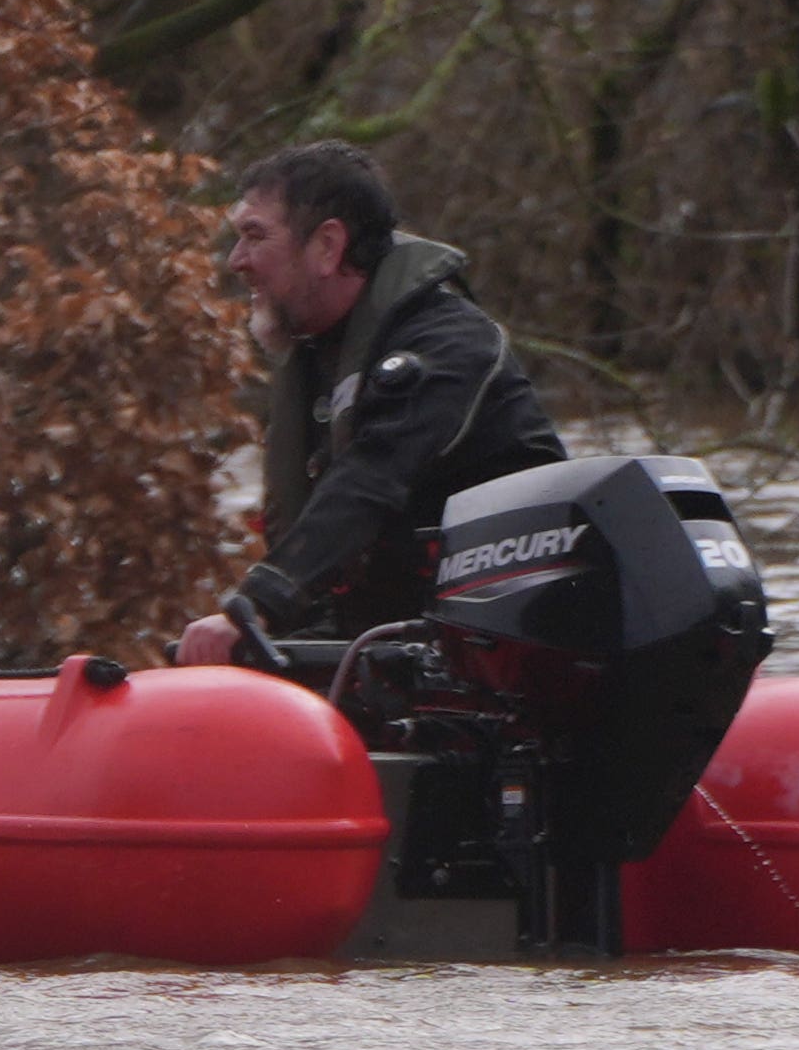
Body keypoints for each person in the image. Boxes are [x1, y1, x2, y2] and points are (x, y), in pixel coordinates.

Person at [177, 142, 563, 664]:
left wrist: (257, 604)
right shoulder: (318, 354)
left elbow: (372, 478)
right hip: (385, 644)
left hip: (497, 660)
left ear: (328, 246)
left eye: (255, 236)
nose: (236, 260)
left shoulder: (446, 343)